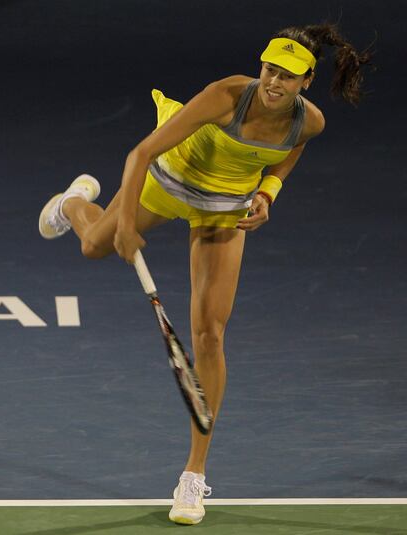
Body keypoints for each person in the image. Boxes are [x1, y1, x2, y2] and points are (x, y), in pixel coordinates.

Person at [38, 23, 371, 525]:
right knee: (92, 247)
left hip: (224, 210)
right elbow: (141, 153)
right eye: (269, 70)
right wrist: (125, 225)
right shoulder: (226, 95)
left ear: (306, 82)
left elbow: (283, 161)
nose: (274, 83)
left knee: (209, 336)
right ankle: (74, 203)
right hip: (170, 180)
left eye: (288, 77)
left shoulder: (310, 122)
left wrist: (265, 196)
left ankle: (193, 476)